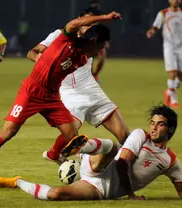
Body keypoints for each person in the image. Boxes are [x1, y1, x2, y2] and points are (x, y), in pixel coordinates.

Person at [0, 11, 122, 192]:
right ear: (94, 42)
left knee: (73, 135)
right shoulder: (66, 39)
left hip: (52, 96)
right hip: (31, 92)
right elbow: (74, 23)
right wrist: (105, 18)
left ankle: (69, 162)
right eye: (102, 46)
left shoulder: (82, 58)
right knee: (8, 132)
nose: (101, 51)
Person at [0, 104, 182, 202]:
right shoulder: (140, 136)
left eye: (159, 125)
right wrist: (131, 194)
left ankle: (17, 182)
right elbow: (122, 163)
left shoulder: (170, 161)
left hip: (100, 188)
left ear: (169, 129)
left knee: (57, 195)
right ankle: (81, 147)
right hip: (99, 164)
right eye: (152, 123)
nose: (153, 127)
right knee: (114, 148)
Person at [27, 7, 129, 165]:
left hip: (92, 90)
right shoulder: (59, 36)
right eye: (86, 22)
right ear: (79, 21)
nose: (88, 26)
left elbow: (100, 57)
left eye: (92, 23)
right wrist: (42, 61)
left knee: (125, 135)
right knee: (71, 133)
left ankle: (124, 172)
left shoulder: (92, 42)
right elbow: (32, 52)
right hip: (70, 93)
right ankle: (55, 154)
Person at [146, 0, 182, 108]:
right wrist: (152, 31)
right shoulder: (163, 13)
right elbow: (156, 26)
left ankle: (169, 92)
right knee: (172, 73)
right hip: (169, 46)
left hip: (181, 47)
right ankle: (174, 100)